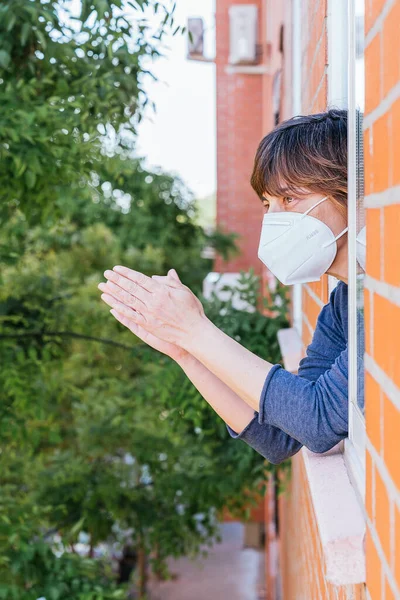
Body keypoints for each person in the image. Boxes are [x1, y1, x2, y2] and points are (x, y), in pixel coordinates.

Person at [97, 108, 365, 465]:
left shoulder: (386, 300)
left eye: (289, 199)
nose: (274, 220)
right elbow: (285, 436)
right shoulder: (344, 304)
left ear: (347, 189)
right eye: (268, 204)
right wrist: (186, 350)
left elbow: (316, 420)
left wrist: (195, 330)